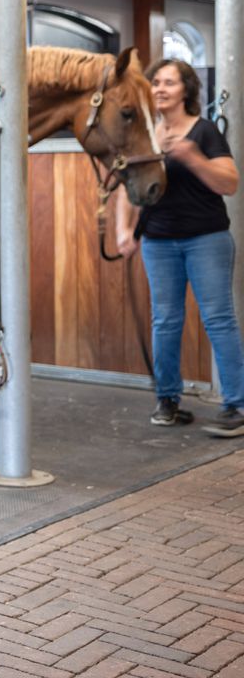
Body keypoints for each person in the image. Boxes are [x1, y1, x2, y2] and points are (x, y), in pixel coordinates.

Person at [116, 58, 243, 437]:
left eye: (169, 82)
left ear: (186, 90)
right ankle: (168, 400)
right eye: (155, 82)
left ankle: (236, 404)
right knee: (166, 320)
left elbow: (229, 183)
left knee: (218, 319)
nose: (159, 89)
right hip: (159, 241)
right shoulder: (146, 135)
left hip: (206, 238)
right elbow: (130, 186)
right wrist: (124, 229)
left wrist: (192, 156)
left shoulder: (203, 132)